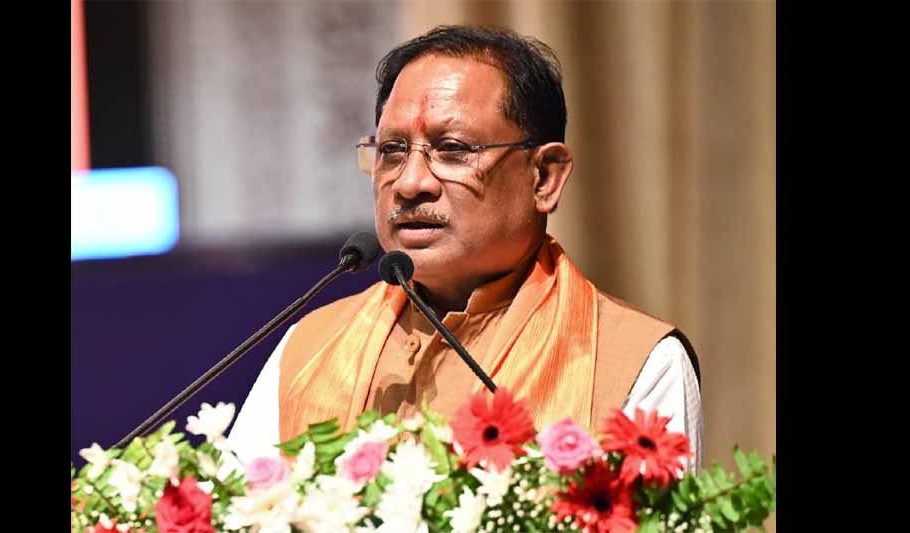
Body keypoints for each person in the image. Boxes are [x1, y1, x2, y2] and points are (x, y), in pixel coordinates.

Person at [228, 25, 702, 472]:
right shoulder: (310, 350)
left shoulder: (633, 361)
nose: (410, 183)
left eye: (453, 149)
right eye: (392, 150)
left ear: (544, 177)